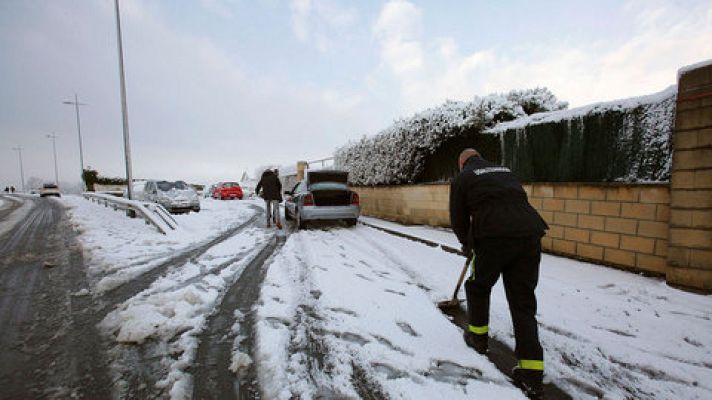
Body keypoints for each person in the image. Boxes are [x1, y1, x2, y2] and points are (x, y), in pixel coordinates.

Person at [449, 148, 548, 398]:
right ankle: (532, 374)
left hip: (492, 238)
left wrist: (467, 244)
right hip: (529, 235)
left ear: (462, 164)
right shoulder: (505, 170)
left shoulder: (462, 178)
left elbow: (458, 217)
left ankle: (478, 339)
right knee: (523, 303)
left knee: (478, 287)